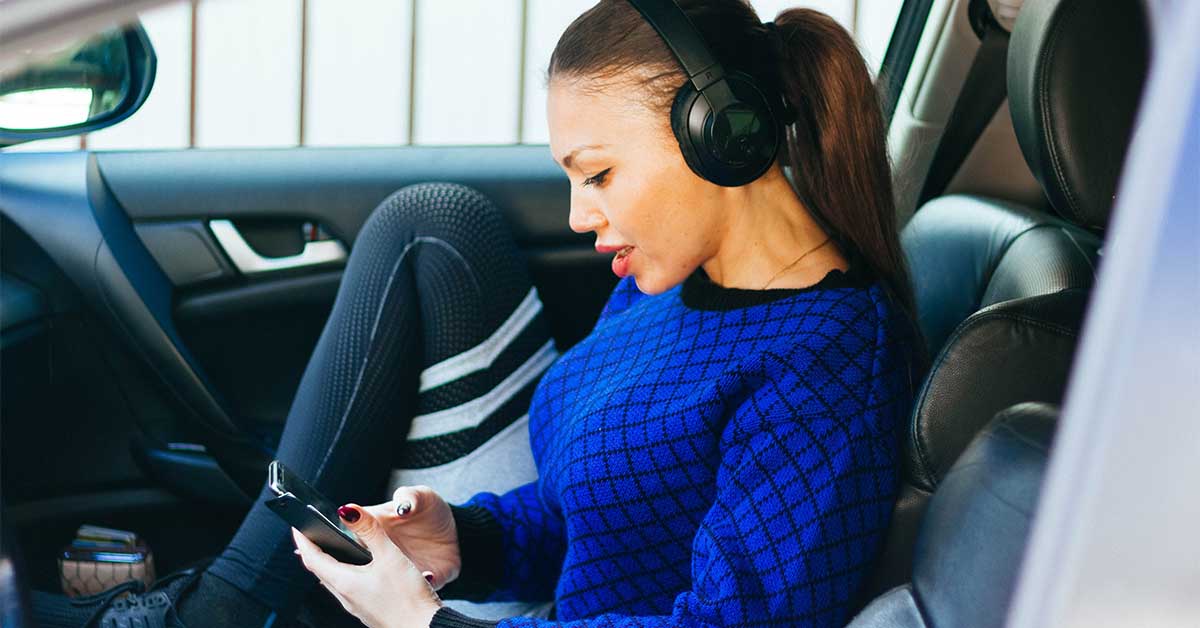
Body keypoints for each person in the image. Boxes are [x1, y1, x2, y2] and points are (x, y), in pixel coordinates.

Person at [35, 1, 919, 626]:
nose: (580, 216)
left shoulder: (827, 357)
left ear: (721, 134)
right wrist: (466, 541)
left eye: (600, 174)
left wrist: (427, 625)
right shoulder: (673, 284)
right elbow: (597, 511)